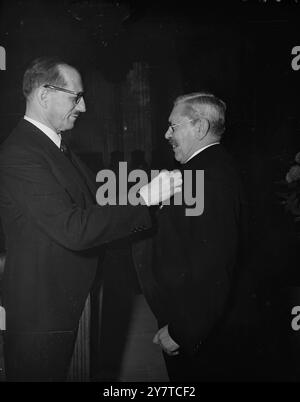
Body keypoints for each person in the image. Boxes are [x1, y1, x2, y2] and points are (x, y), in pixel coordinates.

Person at [0, 56, 181, 382]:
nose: (82, 107)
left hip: (70, 304)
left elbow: (95, 206)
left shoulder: (53, 148)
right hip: (44, 316)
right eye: (75, 97)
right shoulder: (20, 154)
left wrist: (147, 201)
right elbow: (74, 229)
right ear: (44, 95)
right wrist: (145, 199)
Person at [148, 92, 247, 381]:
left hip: (194, 331)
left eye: (173, 126)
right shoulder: (210, 170)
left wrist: (182, 331)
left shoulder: (205, 177)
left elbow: (214, 265)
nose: (167, 134)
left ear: (200, 128)